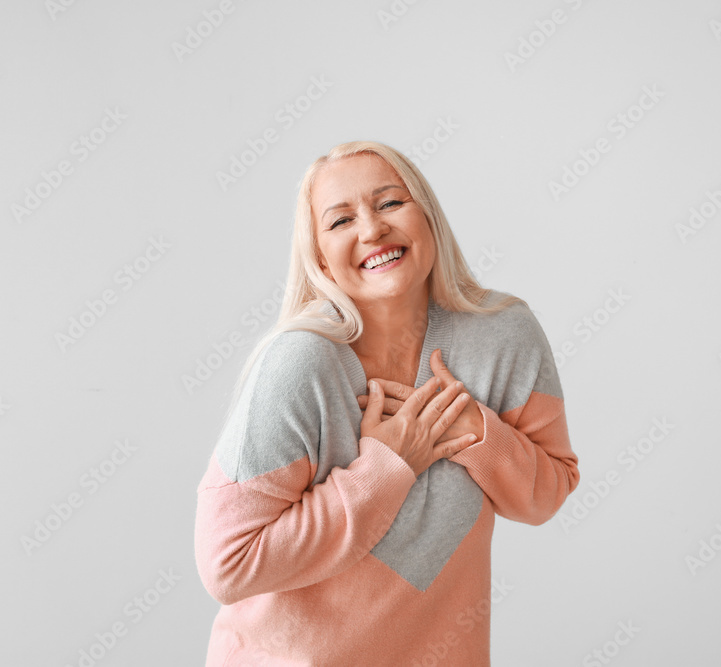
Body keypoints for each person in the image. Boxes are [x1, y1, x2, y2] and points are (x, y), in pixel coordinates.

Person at [194, 140, 580, 665]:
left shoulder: (504, 336)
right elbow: (228, 566)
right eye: (340, 221)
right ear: (323, 264)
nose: (372, 229)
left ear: (429, 218)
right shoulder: (299, 366)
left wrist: (474, 429)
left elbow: (545, 496)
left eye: (390, 202)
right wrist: (385, 469)